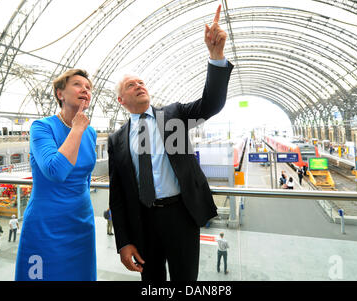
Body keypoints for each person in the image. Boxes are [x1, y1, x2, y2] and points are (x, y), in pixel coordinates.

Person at [108, 5, 233, 281]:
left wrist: (216, 56)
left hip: (181, 215)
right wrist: (123, 242)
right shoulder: (116, 140)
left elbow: (211, 104)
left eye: (141, 82)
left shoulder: (173, 115)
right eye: (131, 85)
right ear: (121, 101)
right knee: (151, 282)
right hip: (143, 221)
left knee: (185, 280)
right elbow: (116, 195)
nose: (139, 85)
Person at [15, 69, 97, 281]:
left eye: (88, 87)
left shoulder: (91, 132)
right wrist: (77, 128)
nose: (85, 90)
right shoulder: (42, 127)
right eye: (78, 84)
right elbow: (56, 171)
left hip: (81, 223)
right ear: (60, 94)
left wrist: (81, 128)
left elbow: (85, 178)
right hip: (47, 225)